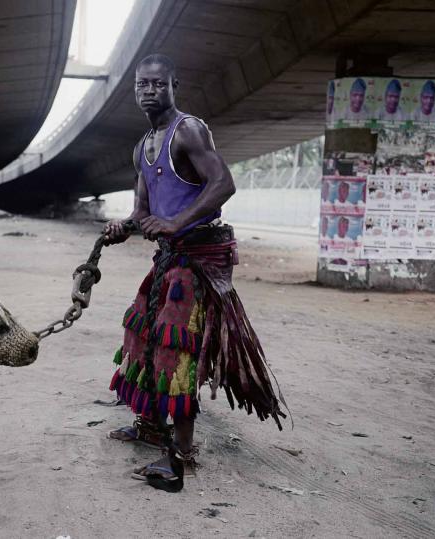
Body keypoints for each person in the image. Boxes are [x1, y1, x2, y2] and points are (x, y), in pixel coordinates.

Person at [102, 54, 286, 488]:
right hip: (168, 259)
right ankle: (148, 426)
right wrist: (121, 228)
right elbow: (143, 212)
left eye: (156, 84)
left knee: (175, 351)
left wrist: (175, 224)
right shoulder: (142, 146)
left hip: (196, 264)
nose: (148, 91)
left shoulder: (189, 130)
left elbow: (224, 183)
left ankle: (182, 454)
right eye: (141, 85)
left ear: (173, 85)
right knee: (142, 332)